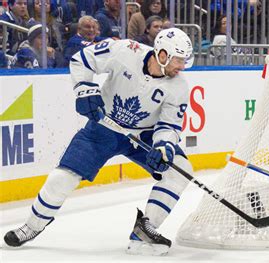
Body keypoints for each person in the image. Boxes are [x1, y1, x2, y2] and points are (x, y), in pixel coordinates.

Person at [4, 27, 194, 256]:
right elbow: (81, 60)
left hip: (143, 135)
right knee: (62, 177)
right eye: (179, 60)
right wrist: (84, 89)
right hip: (104, 127)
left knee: (180, 169)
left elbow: (169, 125)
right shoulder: (124, 51)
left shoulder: (179, 87)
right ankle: (31, 227)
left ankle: (144, 230)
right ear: (162, 54)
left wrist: (163, 147)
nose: (182, 66)